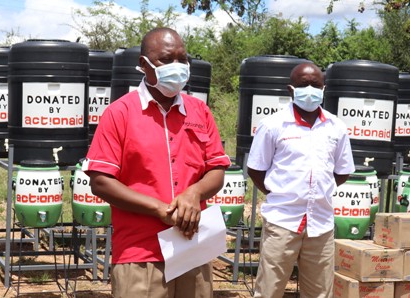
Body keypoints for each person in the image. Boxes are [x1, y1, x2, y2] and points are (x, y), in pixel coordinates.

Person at [83, 27, 231, 298]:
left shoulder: (199, 111)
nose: (177, 66)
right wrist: (160, 210)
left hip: (193, 247)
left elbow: (216, 169)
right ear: (144, 65)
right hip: (140, 253)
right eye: (166, 59)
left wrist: (193, 193)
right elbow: (101, 181)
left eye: (182, 59)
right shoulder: (120, 113)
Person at [246, 62, 355, 298]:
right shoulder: (273, 125)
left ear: (324, 88)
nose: (310, 90)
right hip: (282, 222)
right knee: (269, 290)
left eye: (315, 84)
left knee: (319, 293)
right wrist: (282, 193)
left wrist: (318, 193)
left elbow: (343, 170)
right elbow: (256, 169)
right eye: (303, 85)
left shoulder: (336, 127)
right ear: (290, 89)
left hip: (321, 225)